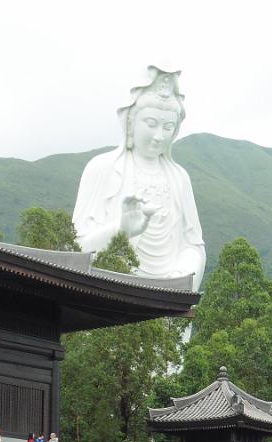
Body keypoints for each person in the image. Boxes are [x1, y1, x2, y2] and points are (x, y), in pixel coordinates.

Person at [72, 65, 206, 291]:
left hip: (168, 297)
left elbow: (193, 246)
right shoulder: (102, 168)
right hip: (110, 298)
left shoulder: (179, 178)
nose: (158, 136)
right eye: (151, 124)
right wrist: (120, 232)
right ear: (131, 122)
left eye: (168, 127)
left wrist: (182, 275)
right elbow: (74, 250)